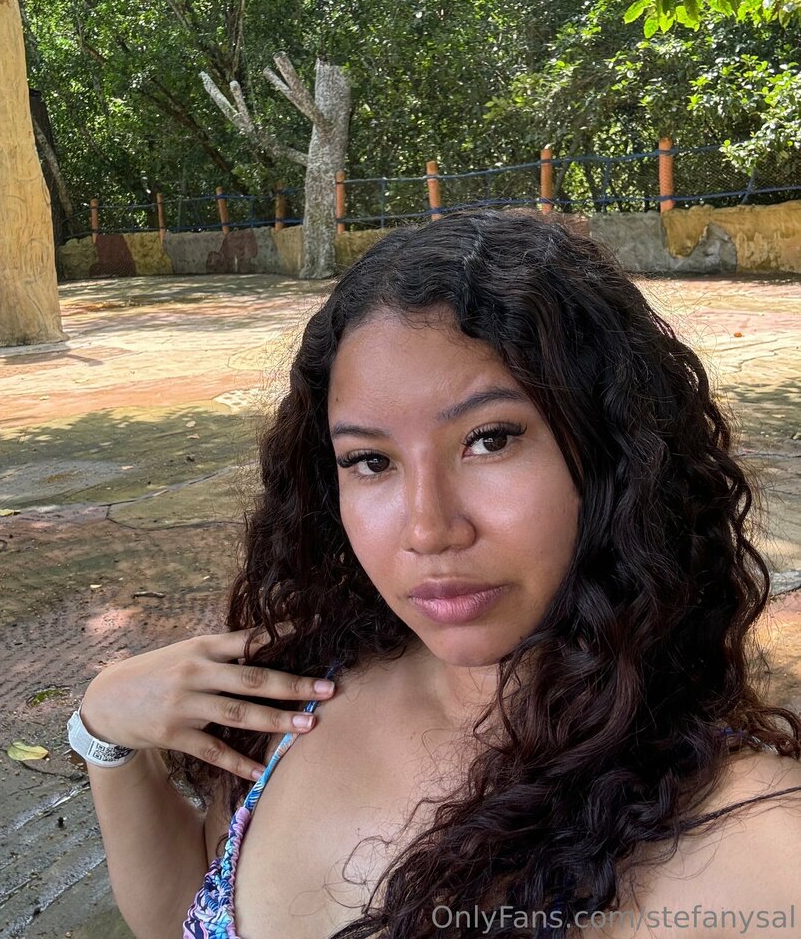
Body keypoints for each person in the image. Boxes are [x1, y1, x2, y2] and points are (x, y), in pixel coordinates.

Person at [74, 209, 801, 939]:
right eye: (371, 461)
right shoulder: (299, 691)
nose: (427, 530)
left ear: (614, 454)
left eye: (490, 440)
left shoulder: (756, 844)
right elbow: (186, 915)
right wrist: (106, 736)